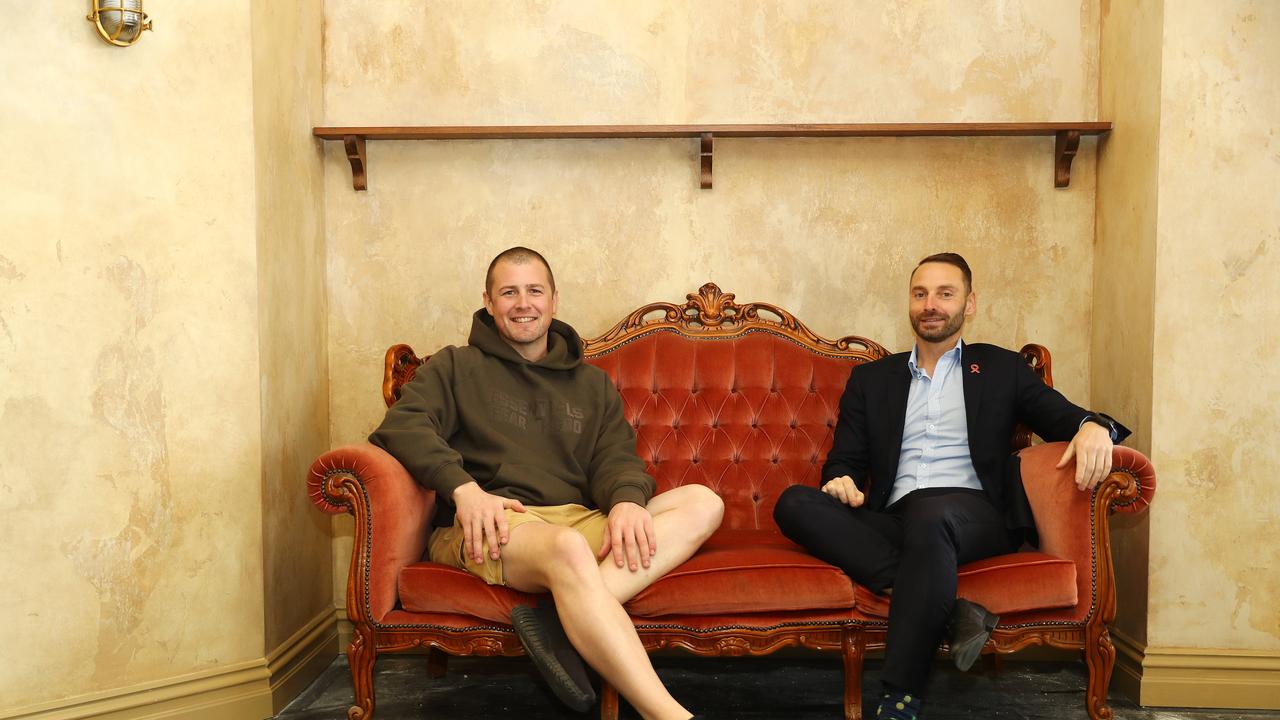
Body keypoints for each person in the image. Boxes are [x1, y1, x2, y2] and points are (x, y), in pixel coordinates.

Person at [370, 247, 722, 720]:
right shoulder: (454, 367)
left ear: (554, 300)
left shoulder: (592, 385)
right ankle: (669, 715)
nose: (523, 303)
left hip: (573, 519)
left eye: (534, 291)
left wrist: (624, 502)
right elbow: (402, 426)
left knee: (703, 502)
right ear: (489, 301)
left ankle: (558, 619)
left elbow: (614, 458)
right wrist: (463, 489)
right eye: (508, 292)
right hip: (495, 522)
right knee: (569, 549)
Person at [772, 252, 1128, 720]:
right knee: (794, 503)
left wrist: (1095, 427)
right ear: (910, 303)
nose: (931, 305)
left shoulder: (1000, 368)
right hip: (898, 515)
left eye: (945, 293)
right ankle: (955, 610)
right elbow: (847, 459)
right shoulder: (873, 379)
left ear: (969, 303)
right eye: (920, 294)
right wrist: (843, 482)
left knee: (933, 515)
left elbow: (1064, 416)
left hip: (976, 513)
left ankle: (899, 696)